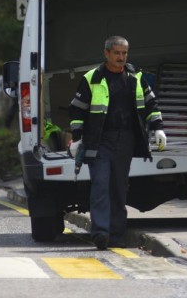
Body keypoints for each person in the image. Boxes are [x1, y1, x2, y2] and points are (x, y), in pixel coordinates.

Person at [67, 35, 166, 250]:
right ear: (106, 54)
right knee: (100, 185)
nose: (121, 57)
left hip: (126, 141)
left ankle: (117, 235)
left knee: (119, 189)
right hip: (99, 142)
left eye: (124, 53)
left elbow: (151, 104)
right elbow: (77, 110)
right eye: (117, 53)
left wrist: (157, 127)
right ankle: (101, 233)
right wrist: (77, 138)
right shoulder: (92, 78)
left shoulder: (135, 77)